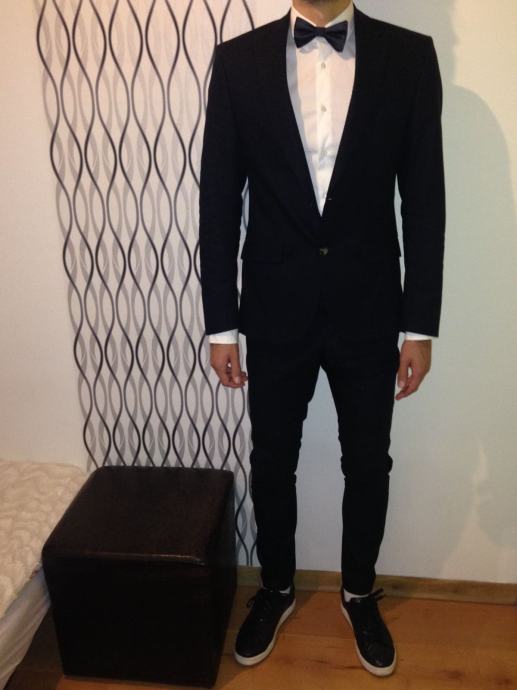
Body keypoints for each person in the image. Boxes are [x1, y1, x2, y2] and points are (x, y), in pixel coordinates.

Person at [199, 0, 445, 677]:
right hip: (273, 310)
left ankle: (358, 591)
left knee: (368, 462)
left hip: (370, 309)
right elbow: (218, 202)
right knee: (271, 459)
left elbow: (424, 201)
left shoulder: (409, 57)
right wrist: (221, 325)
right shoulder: (238, 62)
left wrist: (419, 325)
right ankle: (277, 587)